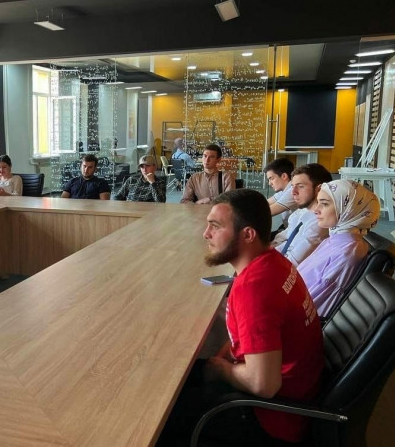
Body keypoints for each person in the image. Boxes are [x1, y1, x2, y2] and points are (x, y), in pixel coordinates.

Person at [161, 189, 323, 446]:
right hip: (293, 393)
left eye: (215, 226)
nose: (206, 234)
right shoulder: (275, 263)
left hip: (269, 420)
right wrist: (220, 359)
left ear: (248, 234)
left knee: (161, 414)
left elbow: (263, 385)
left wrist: (220, 369)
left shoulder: (253, 289)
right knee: (185, 376)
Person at [297, 179, 380, 318]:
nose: (316, 210)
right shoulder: (335, 240)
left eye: (324, 204)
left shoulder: (347, 252)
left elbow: (313, 303)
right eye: (318, 202)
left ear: (348, 209)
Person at [271, 164, 332, 267]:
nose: (293, 192)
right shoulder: (301, 211)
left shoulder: (319, 222)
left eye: (300, 186)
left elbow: (291, 263)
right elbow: (285, 238)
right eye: (292, 186)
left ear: (319, 189)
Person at [264, 158, 297, 227]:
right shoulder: (283, 191)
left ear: (284, 176)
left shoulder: (292, 190)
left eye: (271, 178)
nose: (270, 183)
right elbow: (264, 203)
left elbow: (269, 211)